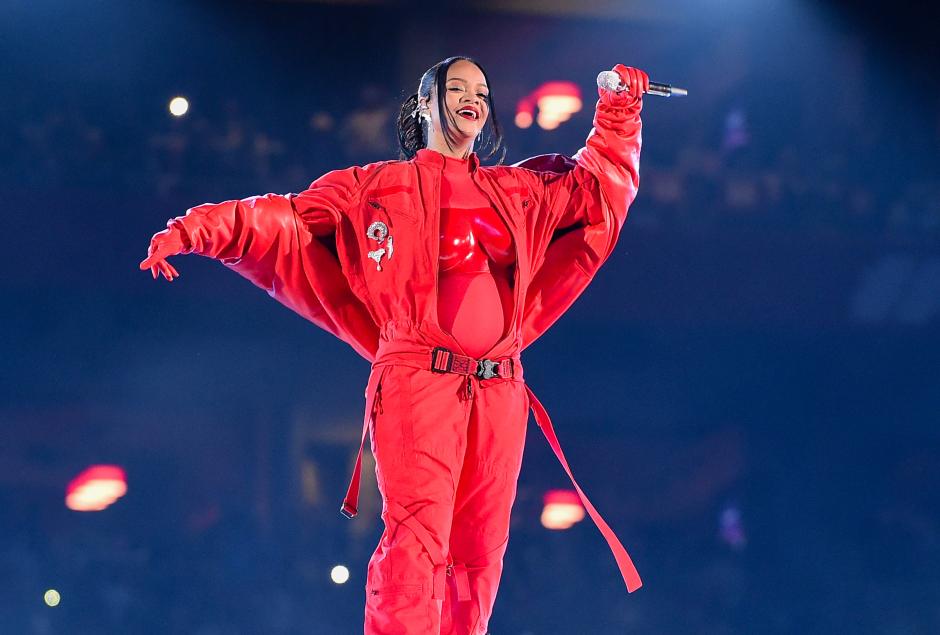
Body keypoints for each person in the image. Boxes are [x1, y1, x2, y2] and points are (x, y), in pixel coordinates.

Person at [140, 55, 649, 635]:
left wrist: (619, 109)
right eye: (459, 87)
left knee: (481, 551)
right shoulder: (374, 187)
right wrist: (194, 229)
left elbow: (599, 193)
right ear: (426, 103)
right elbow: (282, 219)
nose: (474, 98)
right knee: (416, 538)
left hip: (500, 384)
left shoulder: (520, 192)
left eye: (482, 91)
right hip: (419, 378)